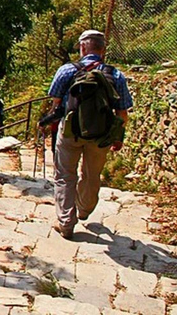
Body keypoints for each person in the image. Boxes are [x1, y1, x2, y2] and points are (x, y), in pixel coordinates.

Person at [47, 29, 133, 239]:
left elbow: (55, 104)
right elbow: (122, 113)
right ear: (103, 50)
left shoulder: (67, 70)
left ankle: (66, 222)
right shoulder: (115, 75)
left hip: (69, 132)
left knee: (65, 175)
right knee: (91, 174)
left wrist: (49, 125)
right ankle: (84, 210)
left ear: (83, 47)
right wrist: (118, 137)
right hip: (101, 135)